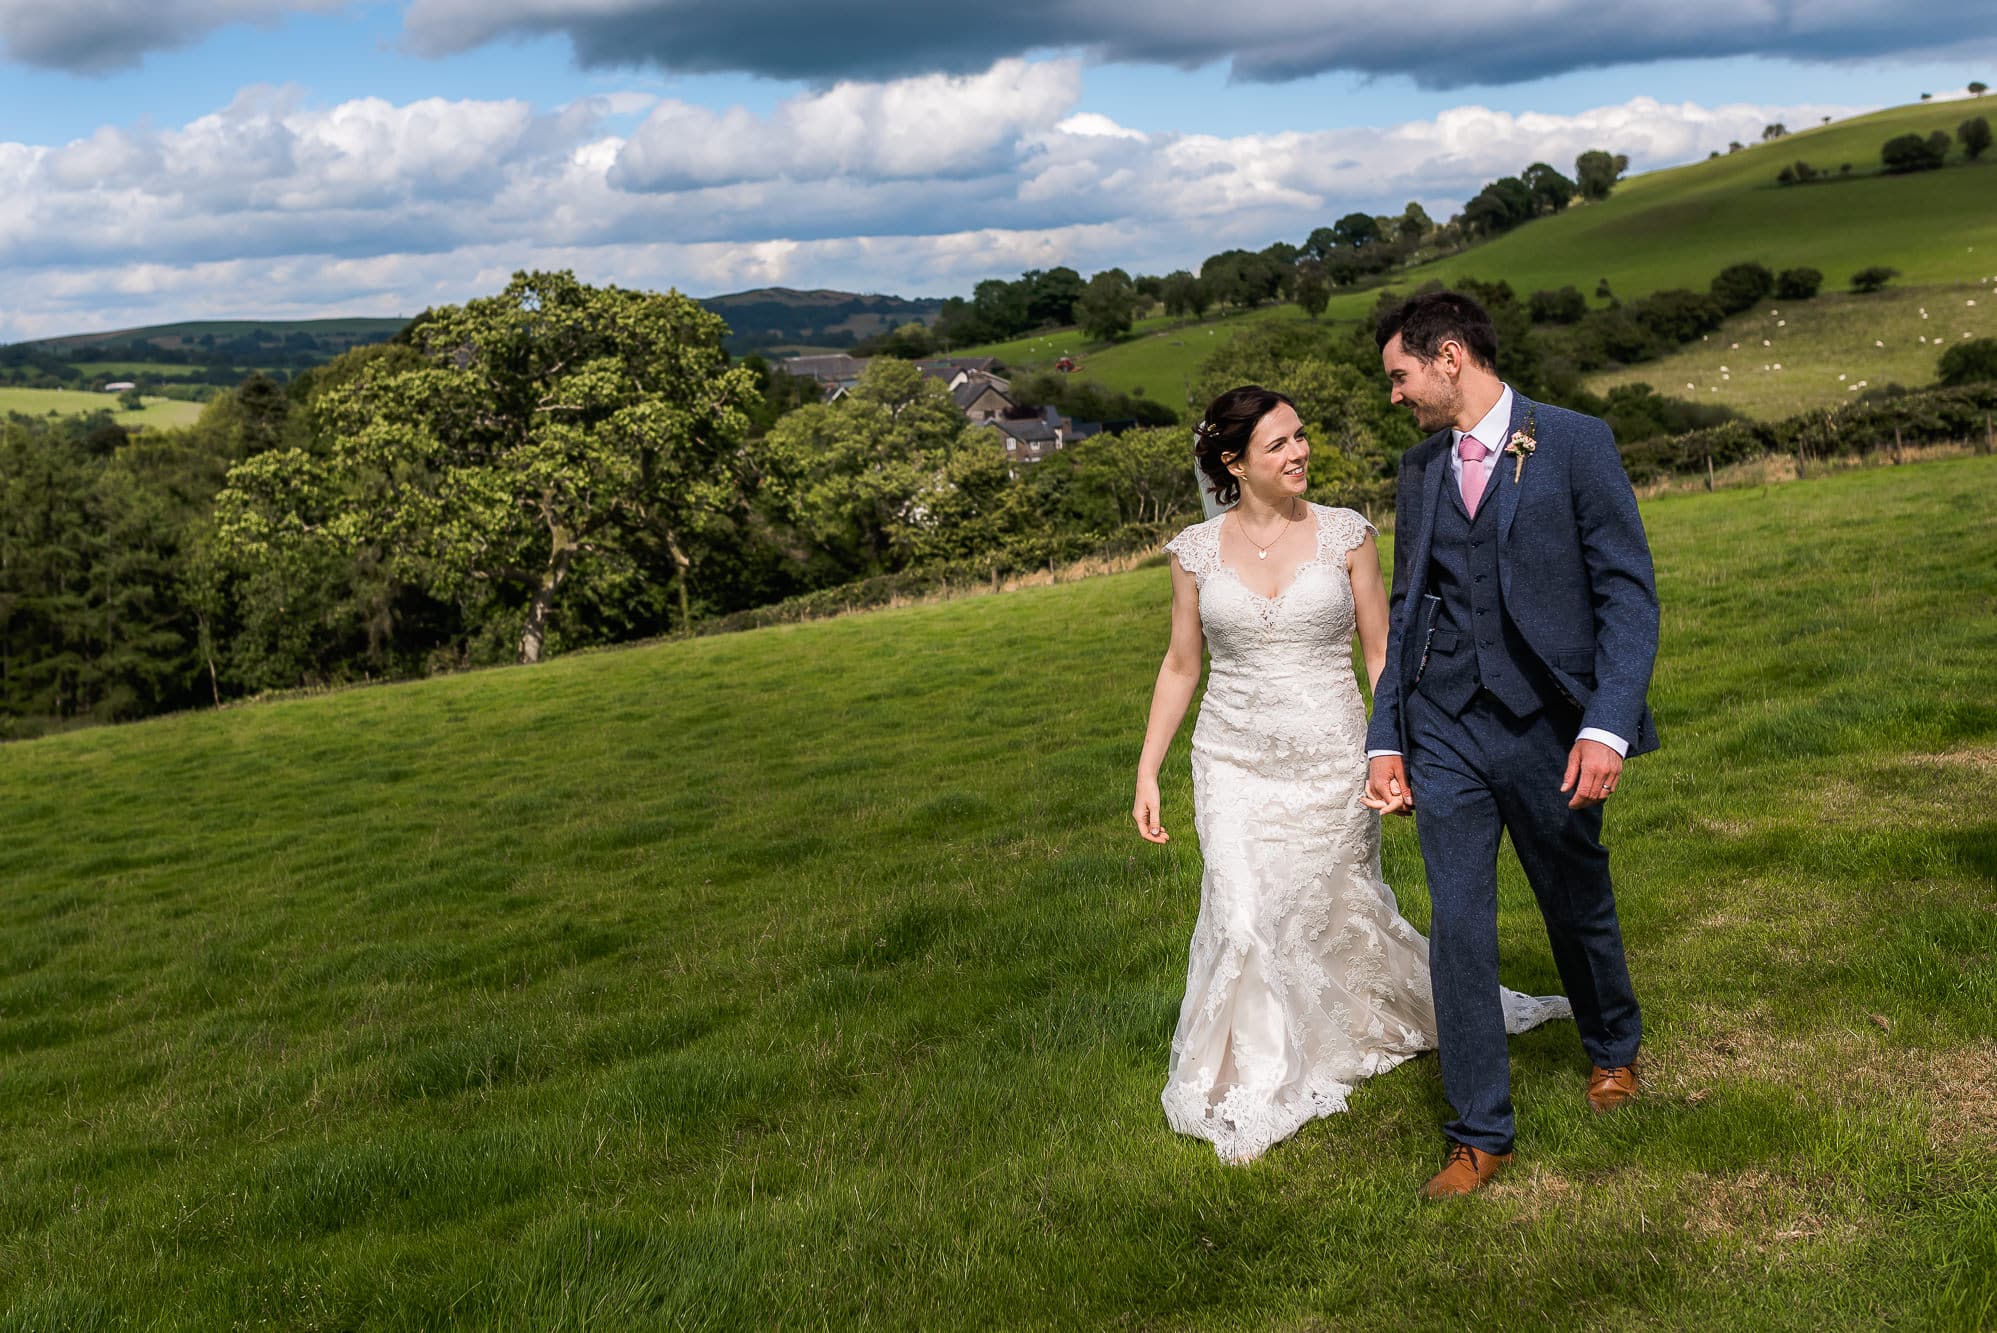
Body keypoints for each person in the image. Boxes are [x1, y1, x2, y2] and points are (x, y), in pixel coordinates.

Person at [1133, 385, 1569, 1165]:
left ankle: (1347, 1022)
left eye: (1299, 436)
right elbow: (1179, 663)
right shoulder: (1192, 552)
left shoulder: (1346, 534)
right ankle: (1260, 1072)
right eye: (1277, 444)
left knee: (1327, 906)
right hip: (1229, 759)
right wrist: (1148, 769)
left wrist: (1392, 745)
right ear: (1233, 463)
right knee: (1240, 915)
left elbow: (1381, 654)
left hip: (1332, 754)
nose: (1299, 451)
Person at [1363, 291, 1659, 1199]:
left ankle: (1611, 1044)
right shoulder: (1418, 470)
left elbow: (1626, 594)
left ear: (1448, 357)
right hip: (1444, 721)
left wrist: (1604, 723)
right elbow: (1407, 608)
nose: (1394, 396)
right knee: (1457, 923)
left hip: (1546, 722)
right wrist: (1387, 737)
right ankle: (1478, 1132)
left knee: (1573, 892)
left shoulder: (1575, 441)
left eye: (1399, 375)